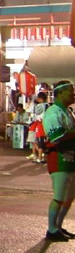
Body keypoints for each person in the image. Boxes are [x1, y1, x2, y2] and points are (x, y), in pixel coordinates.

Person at [42, 80, 75, 241]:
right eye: (70, 90)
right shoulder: (53, 112)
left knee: (69, 196)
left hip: (70, 158)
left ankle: (58, 226)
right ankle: (51, 229)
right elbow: (56, 137)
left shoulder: (68, 111)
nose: (73, 93)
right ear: (60, 93)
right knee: (59, 196)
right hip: (59, 158)